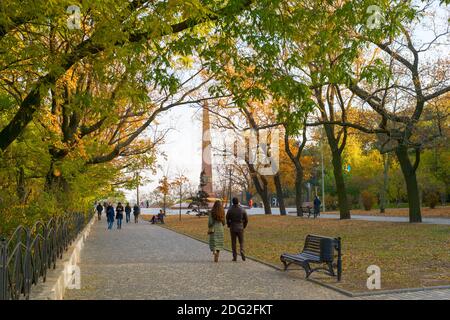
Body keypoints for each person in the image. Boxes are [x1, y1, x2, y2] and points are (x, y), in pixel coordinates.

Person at [226, 197, 248, 261]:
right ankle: (242, 250)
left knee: (233, 242)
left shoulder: (230, 209)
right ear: (238, 202)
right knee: (241, 241)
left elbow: (227, 218)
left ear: (232, 202)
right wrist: (244, 226)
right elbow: (246, 219)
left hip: (233, 227)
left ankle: (235, 256)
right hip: (240, 227)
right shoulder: (242, 209)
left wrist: (229, 225)